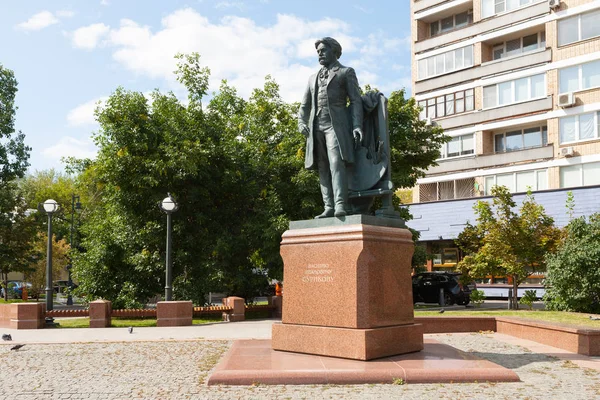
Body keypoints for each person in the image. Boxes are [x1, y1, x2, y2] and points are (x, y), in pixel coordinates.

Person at [298, 37, 363, 218]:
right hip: (316, 126)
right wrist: (301, 122)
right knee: (322, 166)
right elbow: (304, 106)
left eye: (323, 50)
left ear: (334, 51)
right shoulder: (312, 78)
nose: (319, 53)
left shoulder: (345, 72)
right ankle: (329, 206)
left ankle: (341, 204)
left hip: (336, 126)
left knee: (336, 163)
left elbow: (356, 100)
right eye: (318, 51)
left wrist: (357, 125)